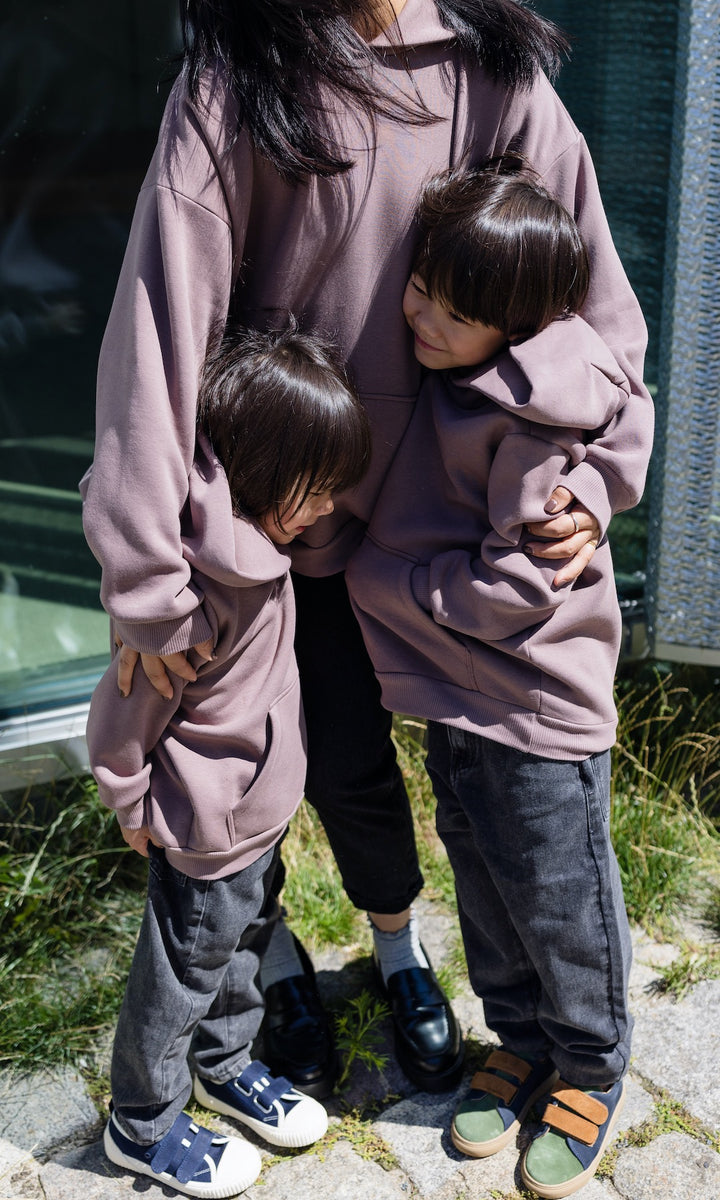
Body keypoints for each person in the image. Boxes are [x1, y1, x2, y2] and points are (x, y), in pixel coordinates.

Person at [81, 0, 654, 1098]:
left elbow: (593, 299)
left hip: (432, 522)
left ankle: (398, 945)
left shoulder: (495, 71)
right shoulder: (236, 76)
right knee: (252, 770)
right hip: (264, 520)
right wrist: (150, 577)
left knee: (388, 779)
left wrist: (598, 474)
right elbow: (160, 320)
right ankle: (276, 959)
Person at [345, 160, 650, 1198]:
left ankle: (593, 1063)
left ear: (519, 325)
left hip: (532, 699)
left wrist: (392, 581)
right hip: (461, 693)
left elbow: (517, 584)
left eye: (457, 310)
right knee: (481, 867)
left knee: (557, 889)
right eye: (422, 284)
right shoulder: (469, 370)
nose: (421, 315)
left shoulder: (532, 413)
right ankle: (519, 1037)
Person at [84, 325, 371, 1199]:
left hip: (257, 822)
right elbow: (130, 704)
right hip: (206, 829)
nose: (324, 511)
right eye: (314, 491)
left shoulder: (266, 545)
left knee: (246, 950)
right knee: (179, 981)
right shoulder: (190, 593)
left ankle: (226, 1065)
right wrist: (129, 796)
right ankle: (144, 1122)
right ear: (260, 472)